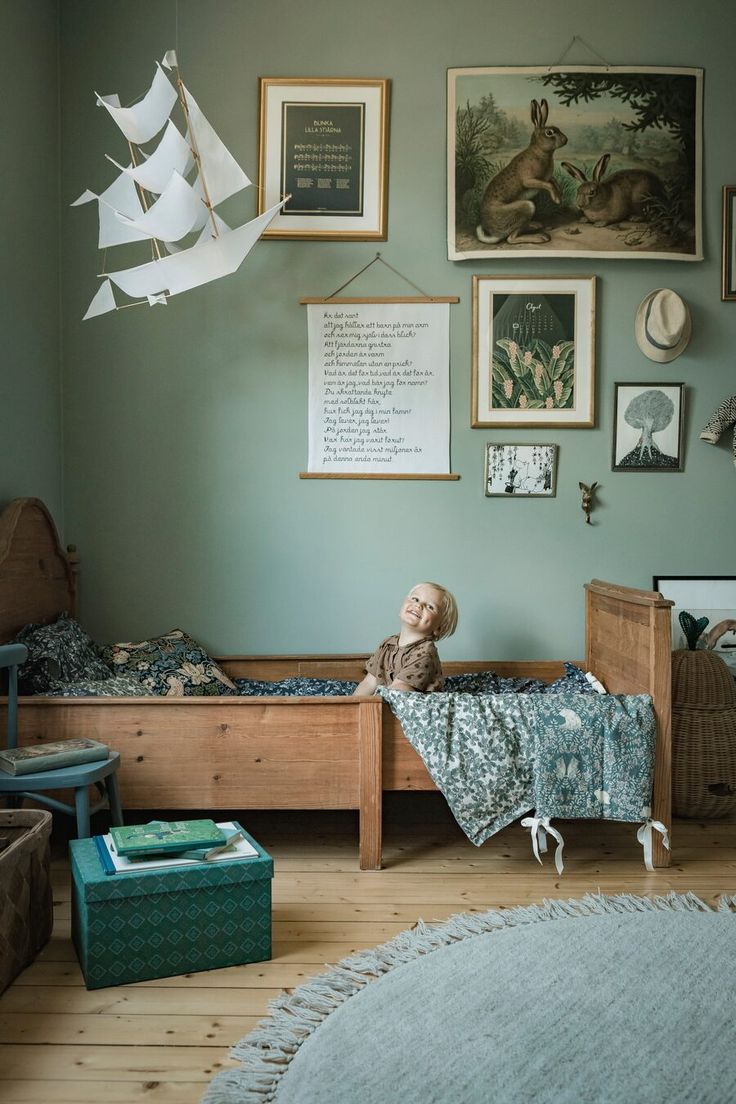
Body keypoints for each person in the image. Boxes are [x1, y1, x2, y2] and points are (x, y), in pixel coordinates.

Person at [354, 582, 458, 696]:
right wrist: (352, 708)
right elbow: (369, 683)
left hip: (411, 708)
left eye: (430, 606)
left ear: (439, 628)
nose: (419, 605)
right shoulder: (387, 644)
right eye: (415, 599)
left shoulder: (426, 652)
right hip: (387, 701)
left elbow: (400, 689)